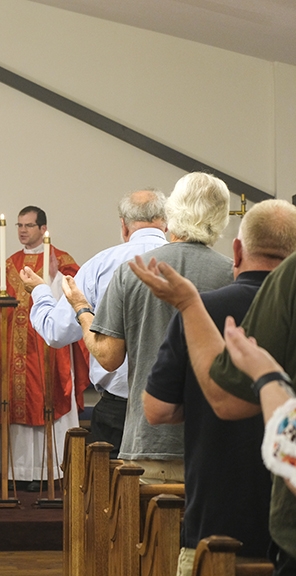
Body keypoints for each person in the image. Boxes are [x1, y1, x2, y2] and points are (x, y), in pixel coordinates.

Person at [137, 200, 296, 574]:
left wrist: (190, 305)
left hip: (219, 516)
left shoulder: (206, 310)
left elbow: (162, 409)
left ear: (237, 251)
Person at [63, 172, 233, 483]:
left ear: (173, 215)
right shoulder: (233, 275)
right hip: (215, 442)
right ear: (221, 217)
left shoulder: (132, 271)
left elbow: (109, 356)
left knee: (143, 529)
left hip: (148, 437)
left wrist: (81, 309)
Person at [21, 189, 168, 457]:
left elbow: (56, 331)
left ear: (123, 226)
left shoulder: (103, 263)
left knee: (109, 492)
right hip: (178, 407)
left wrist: (40, 291)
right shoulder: (193, 263)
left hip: (118, 409)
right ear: (166, 222)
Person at [0, 205, 87, 491]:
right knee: (16, 405)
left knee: (47, 401)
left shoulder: (62, 260)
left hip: (48, 351)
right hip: (15, 352)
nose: (22, 231)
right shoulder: (11, 263)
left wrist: (54, 278)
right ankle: (20, 471)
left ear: (43, 228)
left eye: (28, 225)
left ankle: (52, 471)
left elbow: (75, 305)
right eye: (18, 226)